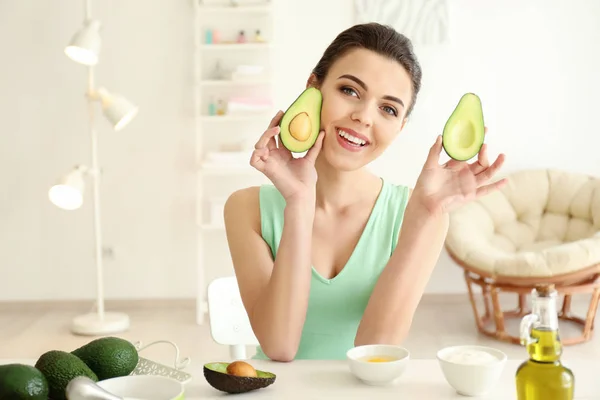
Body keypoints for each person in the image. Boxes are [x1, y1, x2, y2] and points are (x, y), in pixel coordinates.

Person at [223, 22, 506, 362]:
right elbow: (280, 346)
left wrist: (424, 217)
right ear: (314, 86)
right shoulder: (246, 209)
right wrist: (299, 202)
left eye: (388, 109)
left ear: (399, 128)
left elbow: (376, 351)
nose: (363, 117)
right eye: (350, 91)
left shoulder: (419, 213)